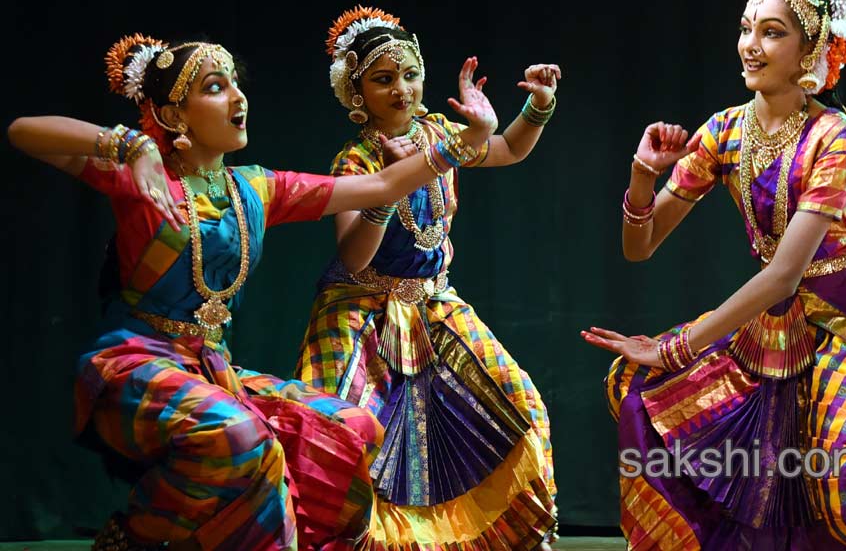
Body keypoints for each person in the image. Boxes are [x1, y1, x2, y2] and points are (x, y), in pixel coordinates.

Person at [7, 33, 497, 550]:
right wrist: (130, 146)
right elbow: (23, 132)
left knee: (350, 428)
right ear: (174, 115)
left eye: (237, 84)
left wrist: (470, 137)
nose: (239, 98)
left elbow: (378, 187)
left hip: (212, 368)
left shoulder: (257, 188)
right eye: (217, 88)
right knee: (243, 437)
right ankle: (132, 538)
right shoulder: (139, 180)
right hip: (137, 364)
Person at [585, 0, 846, 547]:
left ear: (811, 52)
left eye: (772, 33)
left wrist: (677, 346)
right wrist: (643, 177)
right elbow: (640, 247)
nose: (750, 45)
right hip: (776, 329)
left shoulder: (835, 137)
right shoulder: (725, 131)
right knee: (634, 383)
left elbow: (784, 275)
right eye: (746, 28)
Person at [294, 7, 560, 550]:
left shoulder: (437, 132)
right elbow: (356, 260)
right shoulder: (355, 161)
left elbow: (506, 149)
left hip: (435, 306)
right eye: (383, 79)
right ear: (356, 92)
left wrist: (538, 105)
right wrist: (387, 192)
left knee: (522, 406)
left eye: (409, 74)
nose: (401, 89)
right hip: (359, 311)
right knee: (342, 441)